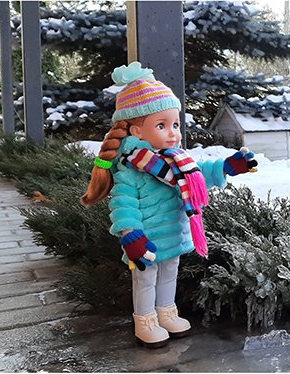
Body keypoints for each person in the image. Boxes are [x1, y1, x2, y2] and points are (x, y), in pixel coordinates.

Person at [81, 62, 258, 348]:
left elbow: (199, 174)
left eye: (175, 124)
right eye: (161, 125)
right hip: (146, 240)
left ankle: (166, 313)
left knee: (169, 273)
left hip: (173, 235)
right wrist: (130, 234)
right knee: (146, 278)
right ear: (137, 131)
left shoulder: (177, 159)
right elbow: (124, 204)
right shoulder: (130, 169)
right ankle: (145, 321)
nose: (173, 132)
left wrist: (226, 167)